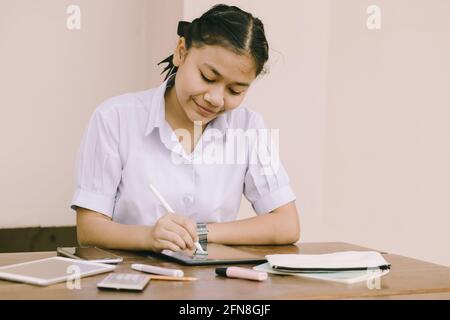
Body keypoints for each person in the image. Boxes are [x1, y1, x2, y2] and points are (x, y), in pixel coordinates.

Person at [71, 4, 300, 253]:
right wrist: (149, 237)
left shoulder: (247, 128)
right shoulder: (115, 118)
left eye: (235, 90)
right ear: (181, 52)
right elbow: (89, 228)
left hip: (214, 284)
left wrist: (199, 231)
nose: (216, 98)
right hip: (130, 280)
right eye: (208, 77)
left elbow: (287, 224)